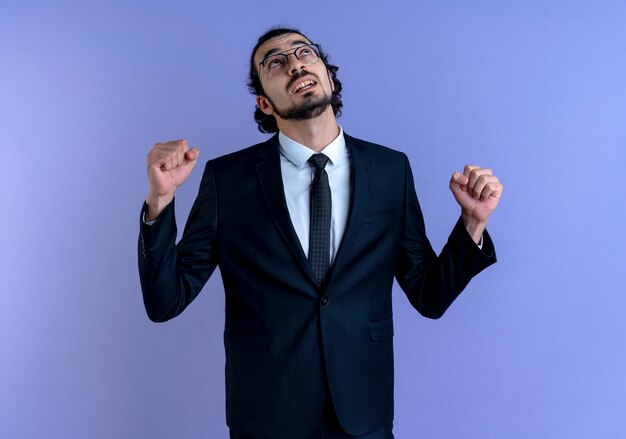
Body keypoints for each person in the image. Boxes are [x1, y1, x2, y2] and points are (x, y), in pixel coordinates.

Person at [138, 27, 503, 439]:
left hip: (363, 414)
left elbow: (429, 296)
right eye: (274, 62)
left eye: (303, 52)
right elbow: (165, 301)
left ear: (327, 75)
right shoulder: (227, 181)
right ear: (264, 103)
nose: (294, 63)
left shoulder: (390, 171)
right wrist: (160, 202)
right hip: (267, 416)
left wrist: (473, 223)